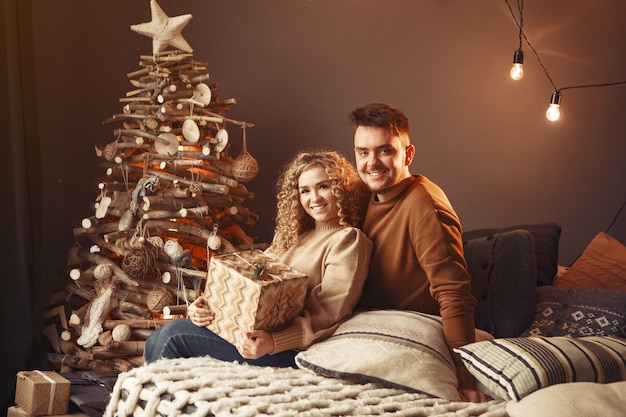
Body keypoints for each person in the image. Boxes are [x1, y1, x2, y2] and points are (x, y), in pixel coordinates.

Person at [144, 150, 372, 367]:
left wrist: (274, 342)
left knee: (173, 335)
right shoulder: (294, 236)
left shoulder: (348, 239)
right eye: (305, 190)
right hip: (253, 335)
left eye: (323, 186)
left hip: (289, 350)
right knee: (156, 338)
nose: (314, 198)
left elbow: (329, 313)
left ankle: (150, 405)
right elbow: (248, 280)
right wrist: (207, 305)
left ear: (340, 188)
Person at [349, 102, 489, 402]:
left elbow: (454, 294)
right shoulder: (362, 196)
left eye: (385, 150)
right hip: (358, 327)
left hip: (407, 337)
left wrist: (464, 381)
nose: (371, 162)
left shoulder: (426, 207)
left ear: (407, 154)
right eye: (363, 152)